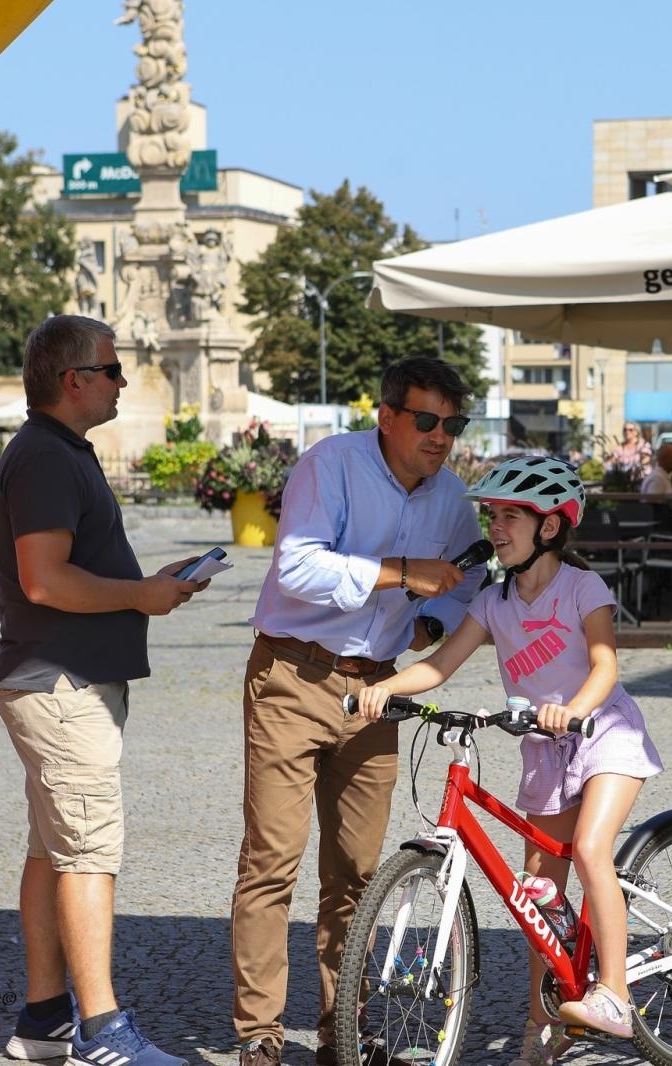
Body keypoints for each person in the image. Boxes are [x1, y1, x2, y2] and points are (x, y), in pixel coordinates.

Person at [354, 456, 663, 1066]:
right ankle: (541, 1026)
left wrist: (571, 709)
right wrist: (386, 688)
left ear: (549, 527)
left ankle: (617, 996)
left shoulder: (582, 587)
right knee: (538, 896)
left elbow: (605, 664)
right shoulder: (495, 603)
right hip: (543, 750)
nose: (496, 527)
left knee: (593, 850)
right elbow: (441, 665)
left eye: (511, 516)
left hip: (603, 731)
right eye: (492, 515)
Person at [232, 357, 485, 1066]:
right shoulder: (330, 465)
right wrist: (405, 571)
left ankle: (344, 1034)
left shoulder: (451, 498)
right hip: (293, 675)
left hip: (377, 691)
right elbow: (298, 567)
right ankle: (259, 1035)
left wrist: (429, 627)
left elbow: (467, 585)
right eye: (427, 420)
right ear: (387, 414)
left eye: (453, 423)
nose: (441, 437)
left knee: (358, 874)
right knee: (271, 863)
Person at [0, 315, 204, 1066]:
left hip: (56, 677)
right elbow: (43, 578)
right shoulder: (46, 457)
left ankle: (45, 1019)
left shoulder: (54, 452)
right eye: (112, 369)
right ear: (73, 379)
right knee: (86, 851)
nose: (121, 379)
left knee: (53, 849)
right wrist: (137, 597)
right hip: (61, 680)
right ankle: (103, 1031)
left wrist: (143, 586)